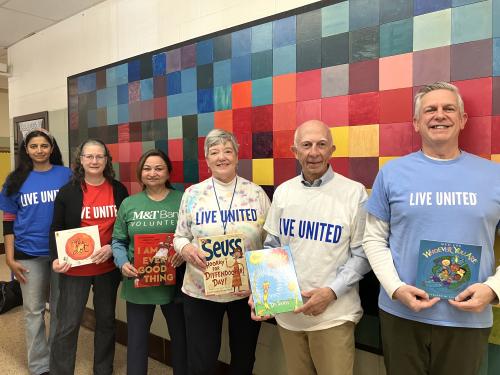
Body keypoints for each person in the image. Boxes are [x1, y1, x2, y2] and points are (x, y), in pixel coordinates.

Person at [363, 82, 500, 375]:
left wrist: (493, 289)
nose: (440, 115)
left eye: (449, 108)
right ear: (416, 122)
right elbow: (373, 239)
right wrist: (395, 288)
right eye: (431, 109)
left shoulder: (494, 175)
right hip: (401, 314)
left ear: (463, 120)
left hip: (467, 320)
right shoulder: (391, 174)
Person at [252, 120, 371, 375]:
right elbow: (273, 245)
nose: (314, 152)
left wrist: (331, 292)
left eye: (321, 145)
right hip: (289, 315)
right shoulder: (284, 192)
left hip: (334, 315)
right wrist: (265, 293)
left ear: (332, 150)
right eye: (306, 145)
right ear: (295, 151)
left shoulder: (354, 193)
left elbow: (362, 254)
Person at [173, 129, 270, 375]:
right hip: (201, 290)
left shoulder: (256, 193)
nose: (222, 157)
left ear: (237, 157)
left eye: (228, 151)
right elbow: (180, 236)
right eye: (214, 152)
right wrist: (185, 248)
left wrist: (266, 289)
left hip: (245, 291)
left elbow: (271, 241)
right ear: (207, 160)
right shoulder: (192, 194)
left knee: (244, 357)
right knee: (201, 360)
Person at [49, 139, 128, 375]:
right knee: (67, 325)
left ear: (106, 160)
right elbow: (56, 228)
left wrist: (112, 248)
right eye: (89, 156)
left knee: (106, 322)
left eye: (99, 156)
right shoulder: (68, 192)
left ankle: (103, 370)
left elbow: (126, 228)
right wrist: (56, 258)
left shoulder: (118, 190)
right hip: (75, 270)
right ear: (80, 160)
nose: (94, 161)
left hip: (107, 269)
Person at [0, 129, 71, 375]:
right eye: (34, 146)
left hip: (62, 252)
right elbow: (8, 220)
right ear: (26, 150)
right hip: (28, 253)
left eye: (44, 145)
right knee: (33, 311)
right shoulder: (14, 179)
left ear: (52, 148)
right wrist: (9, 257)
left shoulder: (66, 175)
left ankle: (56, 360)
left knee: (61, 309)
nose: (39, 150)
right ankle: (40, 366)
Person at [112, 149, 187, 375]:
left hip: (175, 283)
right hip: (138, 282)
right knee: (136, 343)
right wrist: (122, 262)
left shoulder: (183, 199)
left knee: (182, 341)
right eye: (147, 168)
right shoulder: (129, 203)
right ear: (140, 173)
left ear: (168, 172)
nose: (152, 173)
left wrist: (184, 252)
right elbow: (118, 240)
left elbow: (193, 235)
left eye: (158, 168)